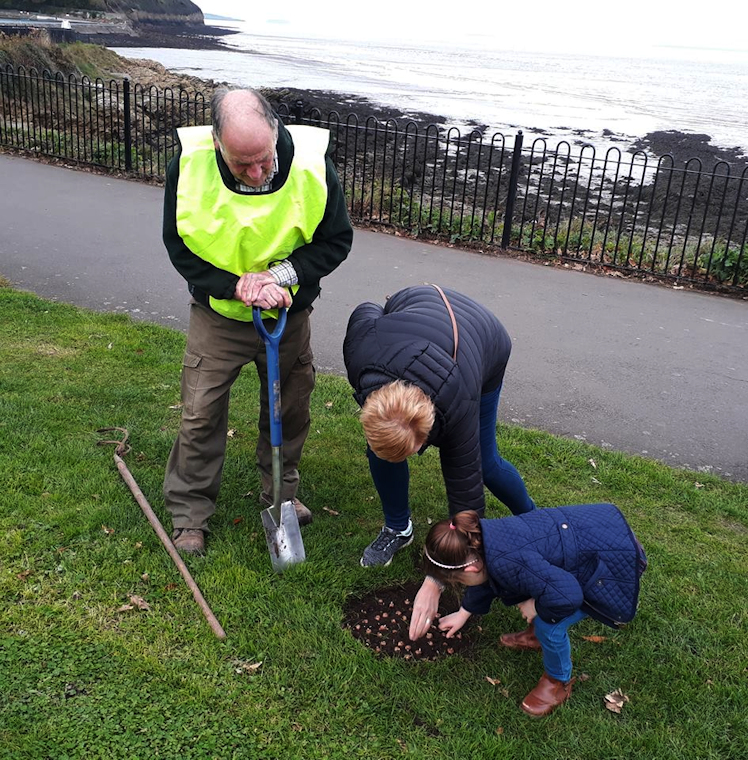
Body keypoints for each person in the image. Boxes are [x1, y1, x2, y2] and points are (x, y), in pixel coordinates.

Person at [162, 87, 353, 554]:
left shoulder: (310, 163)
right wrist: (235, 285)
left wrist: (278, 276)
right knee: (200, 413)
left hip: (287, 314)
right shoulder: (189, 166)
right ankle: (190, 514)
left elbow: (335, 241)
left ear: (275, 130)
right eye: (240, 163)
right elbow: (179, 244)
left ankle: (281, 495)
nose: (255, 172)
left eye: (263, 159)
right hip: (219, 316)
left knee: (289, 409)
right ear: (216, 143)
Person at [343, 285, 536, 637]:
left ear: (428, 434)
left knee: (486, 462)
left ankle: (535, 521)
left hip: (483, 340)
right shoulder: (362, 352)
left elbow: (467, 505)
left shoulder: (457, 405)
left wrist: (435, 580)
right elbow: (367, 308)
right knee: (380, 452)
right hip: (419, 303)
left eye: (414, 451)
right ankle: (397, 528)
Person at [422, 505, 647, 717]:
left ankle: (558, 681)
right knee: (545, 591)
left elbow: (568, 596)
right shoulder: (485, 540)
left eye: (461, 581)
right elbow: (485, 580)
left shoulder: (511, 562)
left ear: (471, 568)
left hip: (613, 561)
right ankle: (537, 636)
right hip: (596, 535)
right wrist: (464, 612)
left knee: (548, 626)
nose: (464, 585)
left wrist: (537, 607)